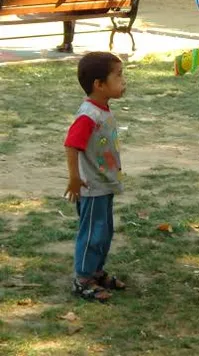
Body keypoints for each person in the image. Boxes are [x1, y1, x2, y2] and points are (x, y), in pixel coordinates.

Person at [64, 51, 127, 302]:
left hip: (104, 184)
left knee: (104, 231)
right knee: (92, 233)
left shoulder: (102, 109)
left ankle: (95, 272)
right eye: (118, 76)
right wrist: (74, 179)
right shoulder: (88, 116)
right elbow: (71, 144)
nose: (124, 81)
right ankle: (82, 279)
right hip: (91, 187)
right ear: (99, 85)